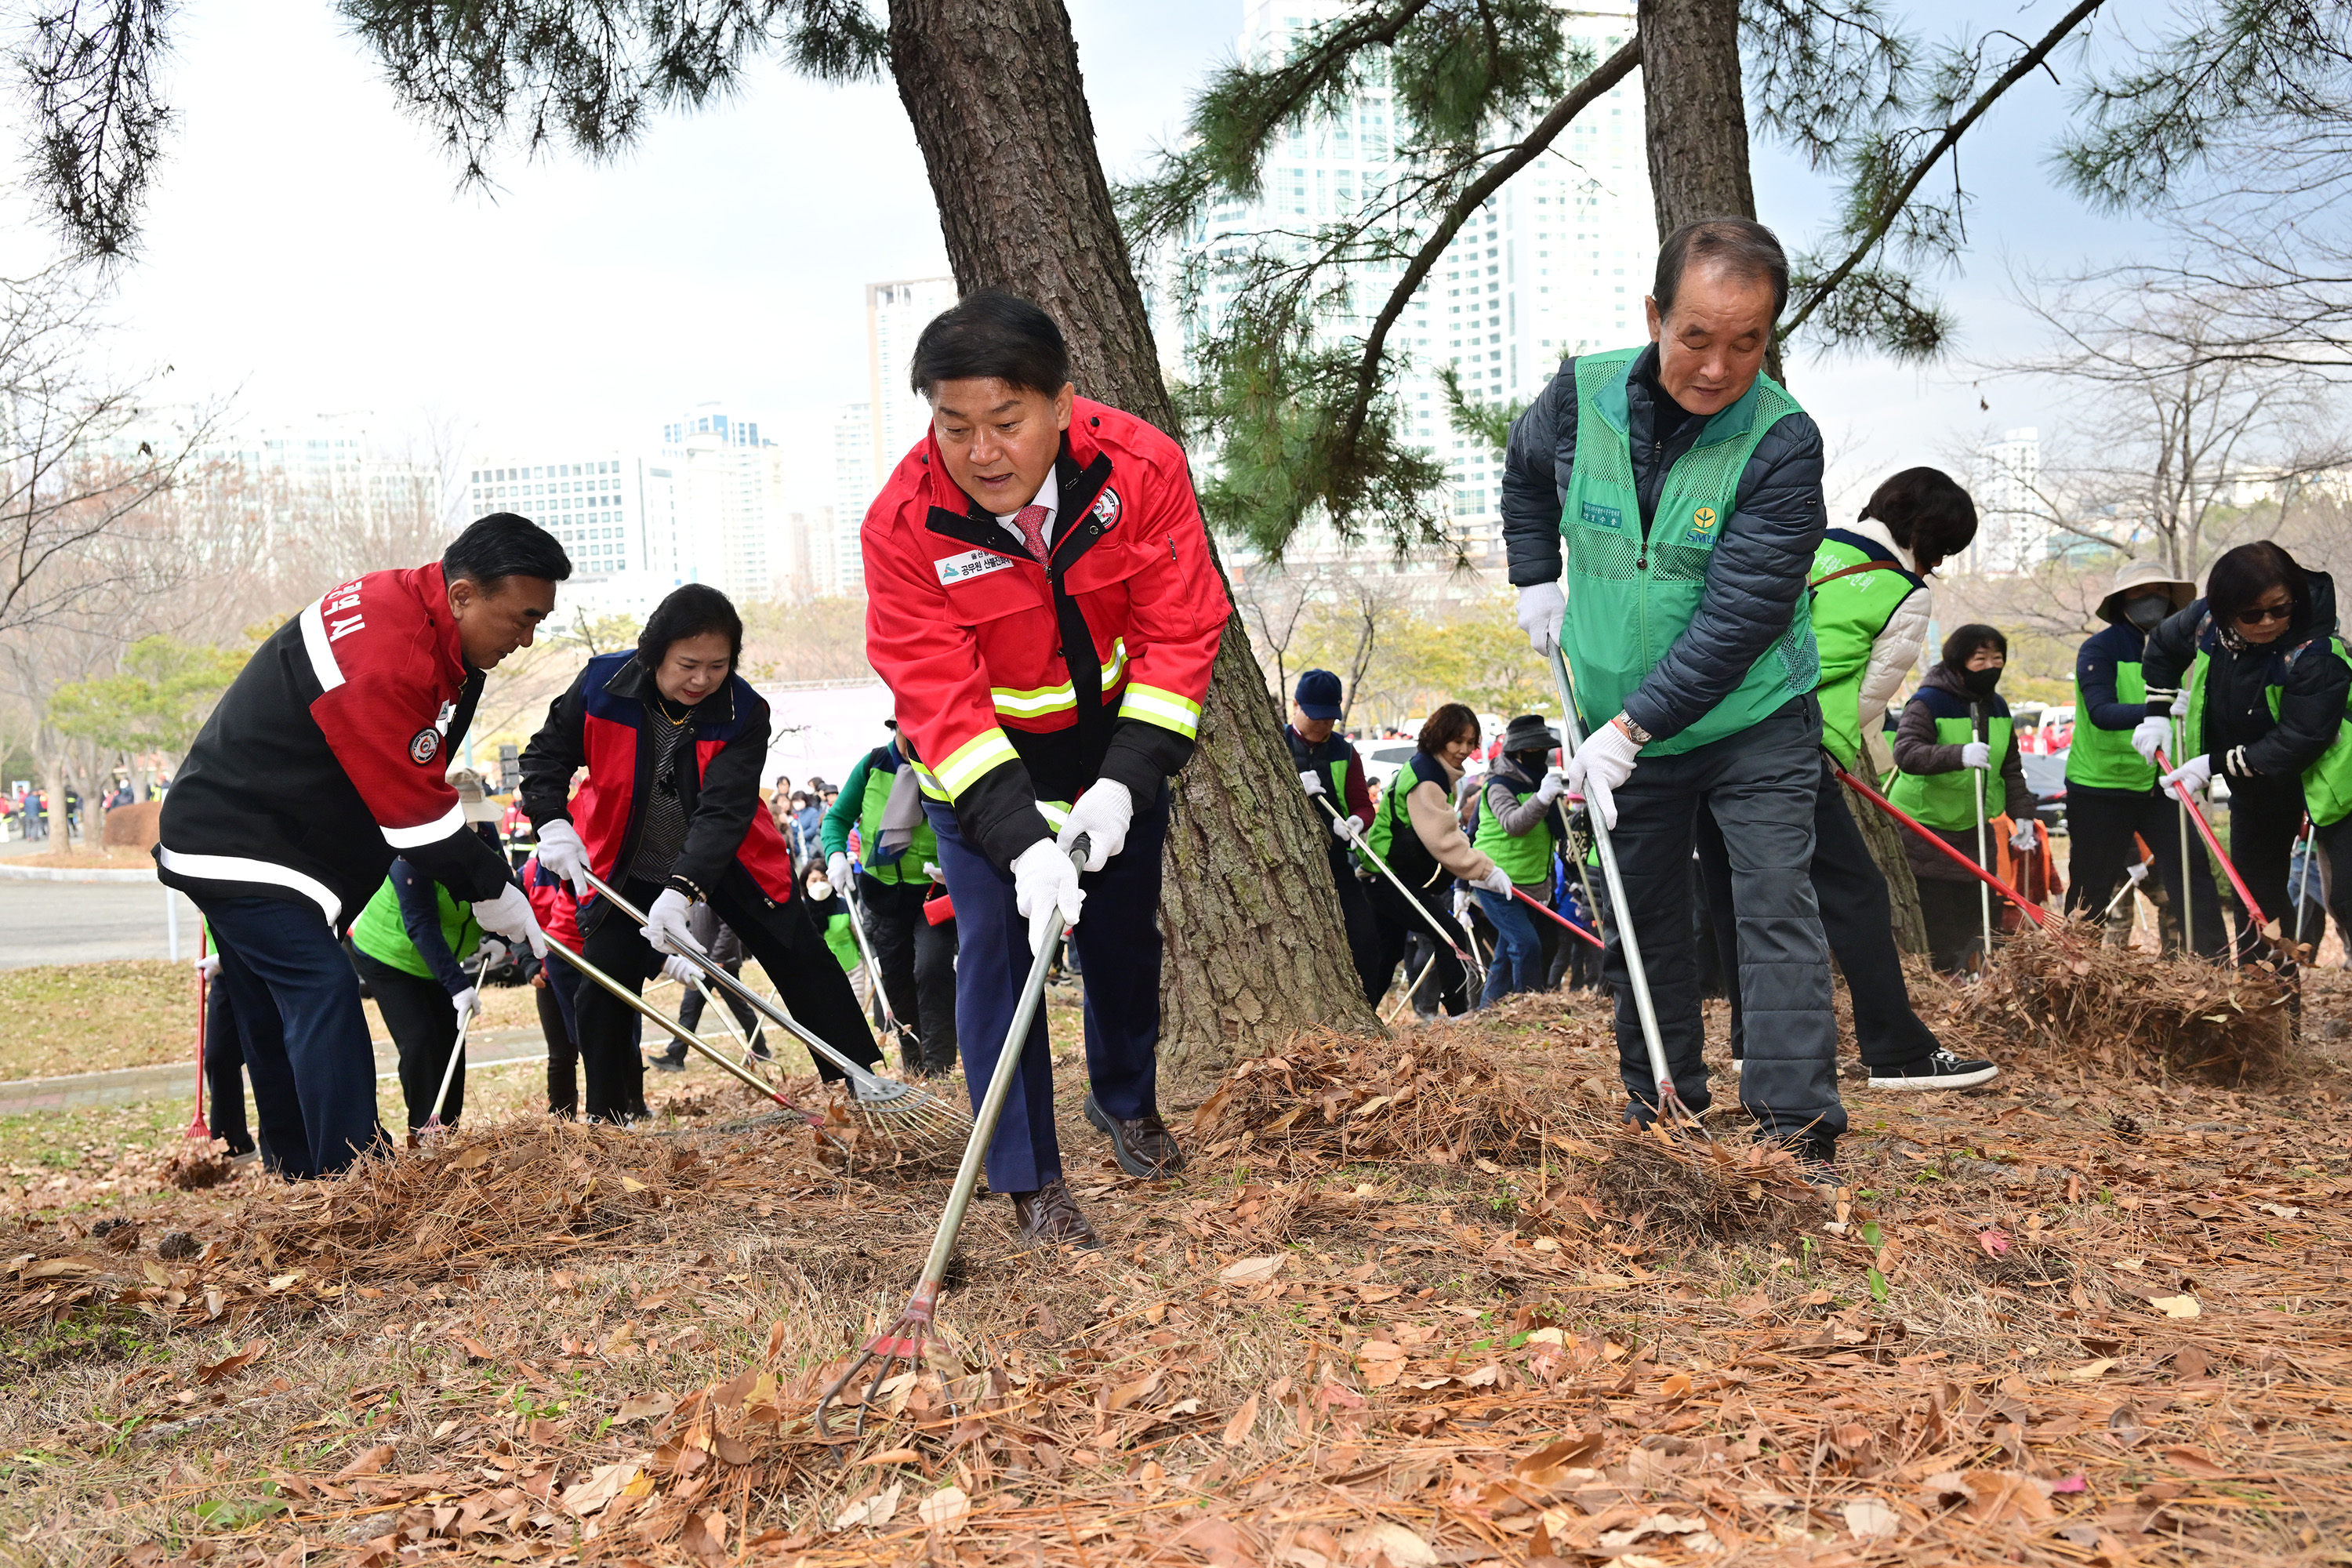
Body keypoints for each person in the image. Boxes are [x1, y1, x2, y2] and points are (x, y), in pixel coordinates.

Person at [862, 289, 1225, 1246]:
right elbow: (935, 692)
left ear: (1061, 406)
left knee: (1119, 943)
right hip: (983, 772)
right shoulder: (904, 523)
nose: (982, 452)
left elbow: (1180, 627)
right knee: (997, 955)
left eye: (1006, 422)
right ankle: (1030, 1179)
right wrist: (1020, 842)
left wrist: (1124, 779)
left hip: (1113, 753)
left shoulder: (1141, 469)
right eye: (955, 425)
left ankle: (1126, 1099)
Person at [1504, 217, 1847, 1177]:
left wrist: (1632, 728)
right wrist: (1536, 576)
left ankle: (1794, 1127)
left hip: (1750, 718)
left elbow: (1738, 620)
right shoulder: (1581, 395)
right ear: (1656, 315)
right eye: (1696, 335)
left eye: (1746, 341)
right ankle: (1663, 1098)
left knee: (1773, 898)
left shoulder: (1781, 442)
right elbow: (1525, 476)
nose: (1716, 364)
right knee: (1640, 909)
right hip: (1616, 710)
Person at [156, 515, 560, 1178]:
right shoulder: (391, 656)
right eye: (520, 618)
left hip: (267, 832)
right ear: (462, 594)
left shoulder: (424, 621)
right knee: (324, 990)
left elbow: (417, 775)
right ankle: (352, 1182)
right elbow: (414, 818)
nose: (526, 637)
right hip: (242, 838)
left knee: (268, 1006)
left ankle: (295, 1173)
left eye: (538, 621)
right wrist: (494, 889)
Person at [521, 584, 884, 1123]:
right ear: (654, 653)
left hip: (730, 863)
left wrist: (683, 891)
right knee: (603, 984)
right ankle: (607, 1120)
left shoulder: (744, 712)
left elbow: (724, 812)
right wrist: (551, 820)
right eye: (688, 664)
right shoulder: (602, 686)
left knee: (802, 961)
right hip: (626, 862)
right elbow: (546, 755)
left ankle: (860, 1084)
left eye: (717, 666)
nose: (701, 680)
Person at [1701, 466, 1998, 1090]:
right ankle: (1896, 1051)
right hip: (1791, 748)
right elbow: (1871, 698)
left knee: (1735, 888)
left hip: (1712, 731)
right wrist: (1825, 747)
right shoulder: (1903, 592)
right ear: (1929, 536)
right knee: (1857, 892)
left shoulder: (1806, 544)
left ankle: (1750, 1042)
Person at [2138, 541, 2352, 964]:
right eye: (2253, 614)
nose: (2269, 621)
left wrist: (2213, 764)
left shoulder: (2317, 653)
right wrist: (2156, 713)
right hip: (2258, 785)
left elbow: (2299, 739)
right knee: (2256, 898)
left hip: (2335, 783)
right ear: (2222, 608)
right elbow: (2162, 648)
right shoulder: (2204, 622)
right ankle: (2268, 1013)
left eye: (2281, 608)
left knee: (2347, 896)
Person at [2060, 560, 2223, 954]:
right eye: (2139, 592)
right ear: (2121, 601)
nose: (2152, 599)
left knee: (2192, 875)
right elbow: (2100, 711)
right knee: (2091, 888)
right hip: (2100, 786)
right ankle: (2068, 971)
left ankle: (2213, 966)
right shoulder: (2100, 649)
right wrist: (2157, 711)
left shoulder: (2190, 648)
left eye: (2161, 591)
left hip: (2163, 782)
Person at [1891, 626, 2041, 973]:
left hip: (1975, 827)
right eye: (1980, 658)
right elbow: (1906, 752)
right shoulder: (1928, 701)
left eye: (1997, 658)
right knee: (1940, 924)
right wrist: (1957, 754)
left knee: (1981, 916)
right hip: (1925, 830)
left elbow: (2011, 767)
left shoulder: (1999, 708)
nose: (1991, 665)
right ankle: (1943, 989)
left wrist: (2023, 814)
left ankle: (1977, 980)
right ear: (1958, 663)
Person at [822, 721, 960, 1076]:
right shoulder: (872, 765)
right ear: (897, 725)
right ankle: (914, 1064)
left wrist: (960, 862)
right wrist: (835, 855)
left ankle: (940, 1066)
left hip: (935, 893)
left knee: (931, 969)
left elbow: (972, 822)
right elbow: (836, 819)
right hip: (883, 896)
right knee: (897, 980)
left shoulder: (948, 763)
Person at [1362, 704, 1511, 1015]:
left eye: (1471, 742)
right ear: (1440, 737)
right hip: (1387, 877)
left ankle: (1361, 1017)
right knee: (1449, 934)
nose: (1465, 750)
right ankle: (1459, 1015)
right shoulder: (1426, 778)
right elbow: (1443, 839)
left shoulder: (1431, 769)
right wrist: (1486, 870)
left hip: (1388, 875)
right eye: (1458, 741)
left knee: (1386, 953)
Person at [347, 854, 485, 1131]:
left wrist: (494, 935)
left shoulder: (485, 835)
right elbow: (421, 924)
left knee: (451, 1041)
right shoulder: (410, 852)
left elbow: (495, 891)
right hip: (388, 954)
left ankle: (448, 1130)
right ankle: (423, 1133)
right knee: (420, 1039)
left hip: (437, 958)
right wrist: (458, 986)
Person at [1285, 670, 1385, 1006]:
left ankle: (1368, 1009)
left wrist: (1358, 821)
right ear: (1295, 706)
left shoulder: (1345, 752)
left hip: (1335, 859)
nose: (1323, 725)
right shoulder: (1275, 744)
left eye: (1330, 718)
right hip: (1286, 864)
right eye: (1315, 716)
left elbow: (1362, 803)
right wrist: (1293, 789)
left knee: (1365, 938)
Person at [1472, 714, 1567, 1004]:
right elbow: (1514, 824)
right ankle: (1530, 1006)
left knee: (1506, 953)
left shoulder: (1540, 780)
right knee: (1526, 944)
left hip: (1533, 882)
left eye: (1545, 749)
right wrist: (1542, 798)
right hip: (1496, 881)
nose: (1542, 755)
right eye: (1535, 750)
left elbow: (1558, 827)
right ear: (1518, 752)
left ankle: (1488, 1010)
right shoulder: (1498, 786)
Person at [652, 906, 771, 1070]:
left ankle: (761, 1050)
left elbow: (729, 928)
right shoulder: (693, 901)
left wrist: (718, 958)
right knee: (689, 1009)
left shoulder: (715, 895)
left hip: (722, 966)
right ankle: (675, 1057)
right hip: (702, 965)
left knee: (740, 1009)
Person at [521, 850, 585, 1116]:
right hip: (548, 974)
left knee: (610, 1045)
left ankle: (621, 1110)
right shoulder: (528, 872)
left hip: (588, 968)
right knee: (561, 1053)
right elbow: (519, 923)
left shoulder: (584, 861)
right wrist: (530, 964)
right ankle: (562, 1119)